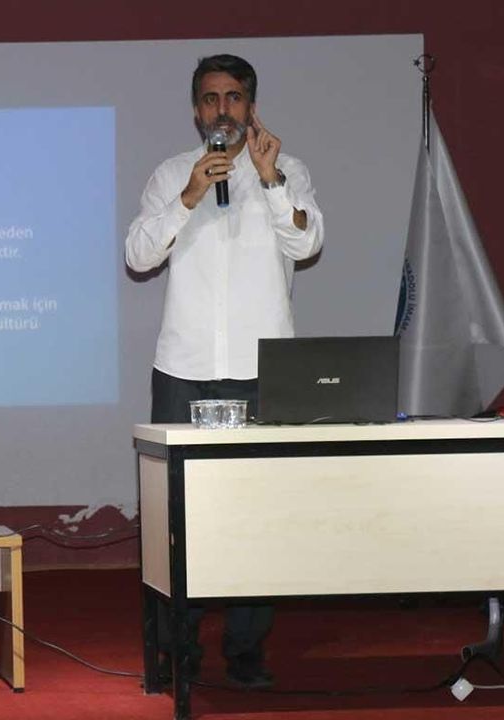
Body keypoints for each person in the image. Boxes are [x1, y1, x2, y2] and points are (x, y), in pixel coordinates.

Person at [124, 54, 324, 688]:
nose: (222, 109)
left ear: (251, 107)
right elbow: (137, 254)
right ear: (196, 111)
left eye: (233, 98)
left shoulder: (286, 171)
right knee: (174, 520)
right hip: (182, 369)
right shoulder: (170, 174)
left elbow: (307, 242)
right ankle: (175, 652)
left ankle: (246, 651)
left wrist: (269, 181)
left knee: (256, 518)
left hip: (261, 372)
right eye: (210, 99)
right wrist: (188, 196)